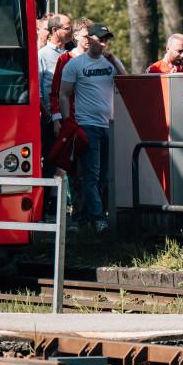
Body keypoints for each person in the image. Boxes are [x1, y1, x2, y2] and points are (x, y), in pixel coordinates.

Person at [58, 24, 120, 230]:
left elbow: (126, 81)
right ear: (89, 39)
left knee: (104, 176)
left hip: (109, 125)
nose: (104, 43)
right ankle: (99, 217)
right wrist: (67, 121)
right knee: (91, 175)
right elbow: (63, 94)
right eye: (100, 39)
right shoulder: (75, 64)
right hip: (87, 125)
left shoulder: (109, 63)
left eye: (106, 40)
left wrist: (116, 60)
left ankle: (86, 218)